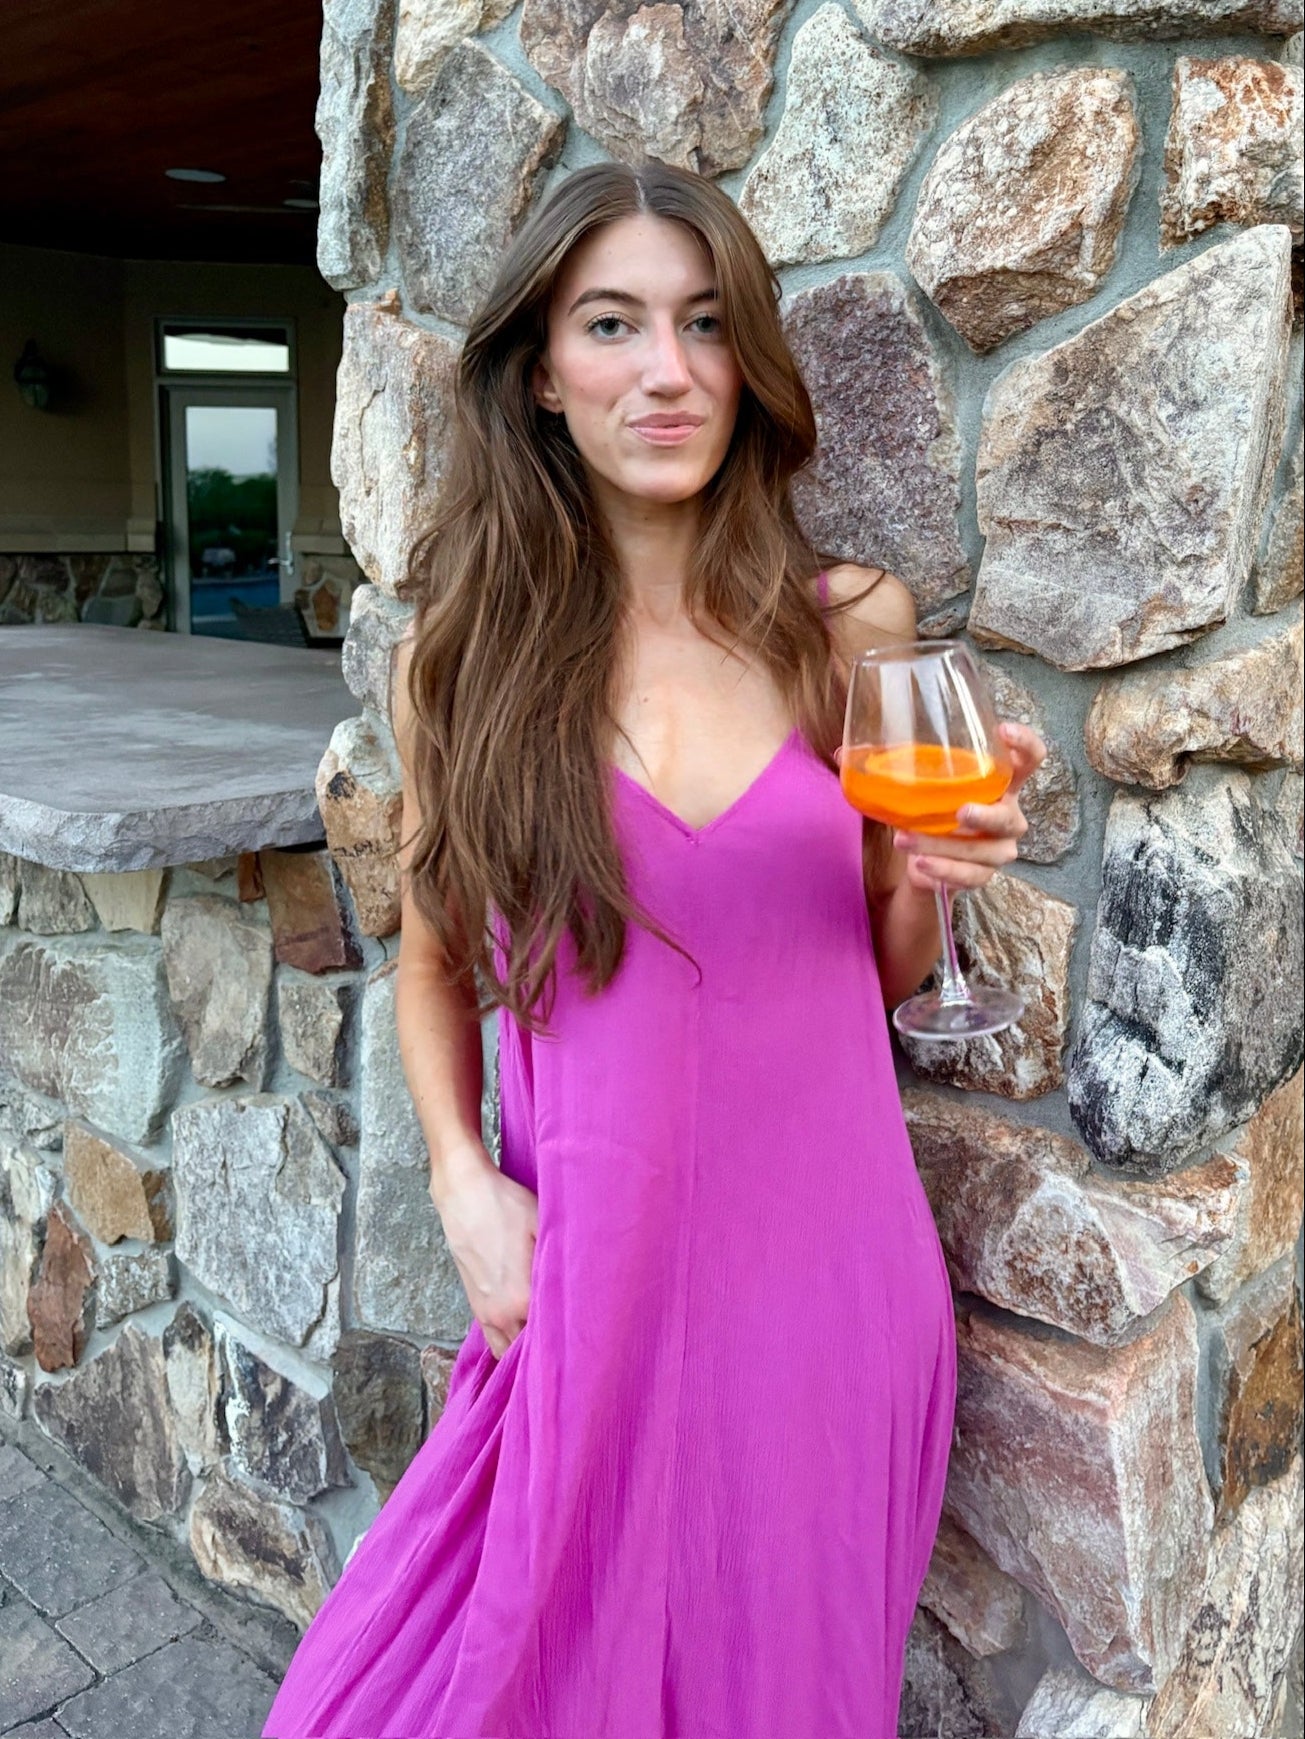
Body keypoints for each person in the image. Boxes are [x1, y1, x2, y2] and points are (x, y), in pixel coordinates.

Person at [262, 161, 1046, 1739]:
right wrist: (461, 1184)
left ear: (745, 363)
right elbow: (433, 962)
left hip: (823, 1284)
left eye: (701, 324)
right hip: (582, 1274)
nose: (665, 371)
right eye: (610, 324)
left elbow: (873, 973)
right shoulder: (460, 663)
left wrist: (929, 876)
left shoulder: (846, 625)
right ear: (543, 374)